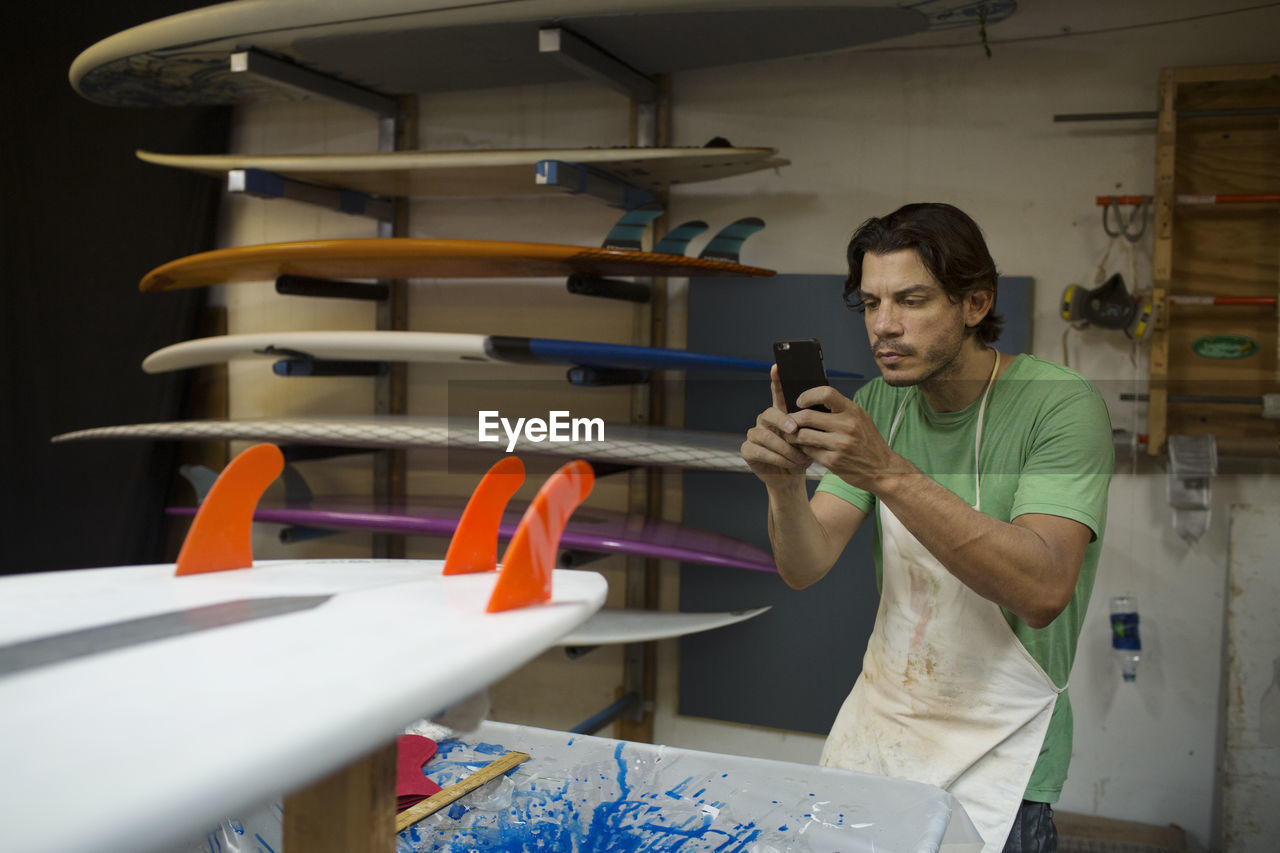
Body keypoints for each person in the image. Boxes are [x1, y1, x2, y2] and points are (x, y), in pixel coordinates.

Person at [741, 203, 1113, 853]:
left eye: (911, 300)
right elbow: (805, 563)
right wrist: (783, 483)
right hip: (879, 733)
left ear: (976, 302)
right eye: (871, 303)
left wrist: (888, 471)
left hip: (1001, 747)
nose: (883, 326)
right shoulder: (883, 403)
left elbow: (1044, 588)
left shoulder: (1059, 404)